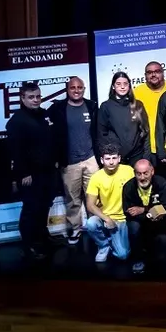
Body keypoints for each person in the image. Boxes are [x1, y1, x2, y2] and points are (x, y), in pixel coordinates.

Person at [8, 81, 59, 259]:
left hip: (48, 171)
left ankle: (43, 237)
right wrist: (23, 174)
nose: (36, 100)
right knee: (31, 210)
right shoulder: (17, 121)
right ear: (22, 98)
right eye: (31, 97)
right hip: (30, 175)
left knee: (45, 206)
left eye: (38, 96)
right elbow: (16, 151)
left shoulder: (44, 114)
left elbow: (50, 141)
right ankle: (28, 245)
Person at [50, 77, 100, 244]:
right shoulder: (58, 108)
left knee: (94, 197)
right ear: (67, 90)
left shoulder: (92, 106)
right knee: (72, 199)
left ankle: (95, 227)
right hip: (69, 162)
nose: (76, 90)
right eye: (73, 87)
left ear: (84, 89)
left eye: (79, 87)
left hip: (91, 159)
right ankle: (76, 229)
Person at [84, 145, 135, 263]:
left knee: (122, 255)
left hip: (122, 219)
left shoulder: (128, 171)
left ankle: (112, 239)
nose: (111, 162)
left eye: (114, 158)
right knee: (91, 223)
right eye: (107, 159)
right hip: (105, 217)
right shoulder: (96, 177)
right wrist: (107, 219)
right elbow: (90, 205)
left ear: (119, 158)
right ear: (102, 160)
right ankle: (103, 245)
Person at [121, 159, 166, 274]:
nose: (142, 177)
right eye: (139, 174)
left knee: (163, 257)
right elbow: (129, 212)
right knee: (133, 227)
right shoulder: (128, 187)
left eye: (145, 173)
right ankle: (138, 259)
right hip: (138, 224)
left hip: (158, 225)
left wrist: (143, 210)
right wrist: (152, 212)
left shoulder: (162, 184)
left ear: (152, 171)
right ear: (135, 174)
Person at [99, 71, 152, 167]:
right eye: (118, 84)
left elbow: (146, 132)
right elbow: (102, 135)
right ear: (113, 86)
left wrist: (146, 158)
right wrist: (110, 158)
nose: (122, 87)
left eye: (125, 84)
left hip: (137, 157)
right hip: (117, 159)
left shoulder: (138, 105)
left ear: (129, 86)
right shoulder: (106, 106)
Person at [132, 62, 166, 159]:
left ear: (163, 73)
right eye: (149, 72)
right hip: (146, 148)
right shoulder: (137, 92)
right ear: (145, 75)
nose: (153, 75)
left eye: (157, 71)